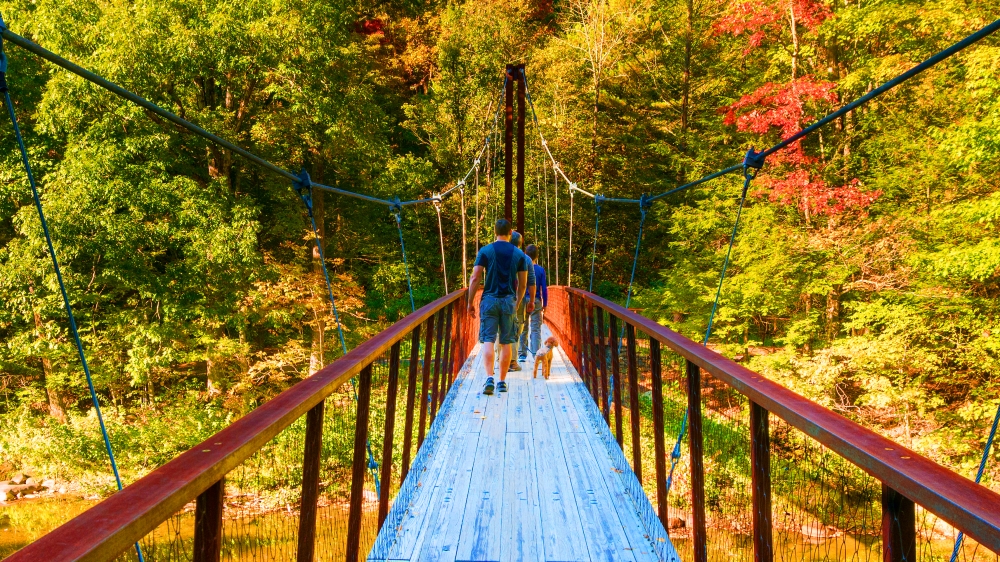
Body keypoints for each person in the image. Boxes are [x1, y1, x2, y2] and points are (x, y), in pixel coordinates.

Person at [467, 219, 528, 395]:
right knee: (506, 341)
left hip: (489, 300)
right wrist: (517, 302)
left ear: (495, 232)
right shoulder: (519, 254)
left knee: (488, 340)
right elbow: (523, 284)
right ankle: (502, 381)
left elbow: (475, 277)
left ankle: (489, 378)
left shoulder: (485, 250)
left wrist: (469, 303)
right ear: (511, 233)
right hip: (508, 300)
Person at [507, 231, 535, 371]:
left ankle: (501, 359)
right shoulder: (526, 259)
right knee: (516, 328)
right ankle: (511, 362)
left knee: (502, 327)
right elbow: (530, 282)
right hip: (519, 298)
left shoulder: (500, 255)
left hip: (501, 297)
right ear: (520, 243)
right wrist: (531, 301)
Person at [519, 244, 547, 361]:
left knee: (522, 327)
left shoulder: (520, 268)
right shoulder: (540, 270)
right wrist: (545, 304)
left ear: (525, 253)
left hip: (522, 300)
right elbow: (544, 289)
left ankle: (521, 354)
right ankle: (536, 354)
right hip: (535, 301)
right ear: (537, 256)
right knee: (535, 328)